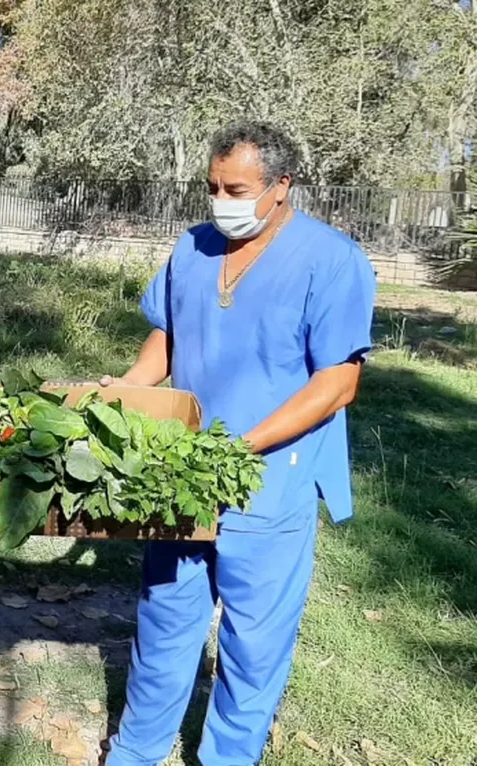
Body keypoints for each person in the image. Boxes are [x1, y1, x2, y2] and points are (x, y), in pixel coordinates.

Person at [103, 121, 376, 766]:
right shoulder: (193, 246)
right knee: (164, 627)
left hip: (268, 484)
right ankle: (135, 753)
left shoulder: (332, 260)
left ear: (281, 187)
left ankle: (225, 758)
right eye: (213, 187)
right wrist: (122, 393)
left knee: (253, 649)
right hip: (180, 479)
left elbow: (338, 383)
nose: (221, 200)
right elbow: (166, 336)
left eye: (237, 188)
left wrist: (243, 447)